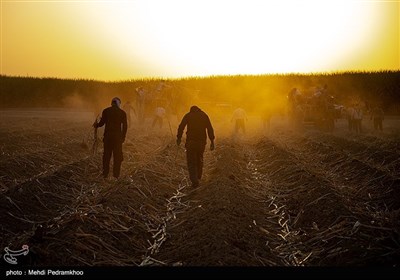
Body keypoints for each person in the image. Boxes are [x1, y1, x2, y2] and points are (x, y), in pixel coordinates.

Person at [177, 106, 215, 188]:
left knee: (191, 162)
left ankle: (194, 181)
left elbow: (181, 126)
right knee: (199, 158)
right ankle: (198, 176)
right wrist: (212, 141)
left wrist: (179, 138)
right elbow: (210, 128)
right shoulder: (204, 115)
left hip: (191, 142)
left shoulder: (188, 115)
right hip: (201, 143)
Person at [94, 97, 127, 179]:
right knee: (117, 156)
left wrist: (96, 125)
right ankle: (116, 175)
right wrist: (123, 137)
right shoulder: (122, 113)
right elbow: (125, 126)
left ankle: (105, 174)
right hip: (117, 138)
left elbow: (102, 123)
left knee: (106, 156)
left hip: (108, 137)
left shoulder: (106, 111)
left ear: (111, 103)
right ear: (119, 103)